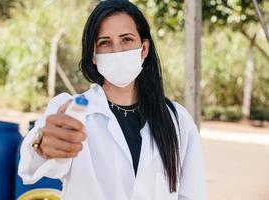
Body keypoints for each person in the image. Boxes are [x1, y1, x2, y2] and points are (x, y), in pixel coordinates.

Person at [18, 1, 208, 199]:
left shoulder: (178, 120)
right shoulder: (71, 111)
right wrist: (43, 145)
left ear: (143, 49)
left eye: (126, 40)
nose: (117, 51)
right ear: (93, 56)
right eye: (105, 42)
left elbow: (193, 194)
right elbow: (32, 165)